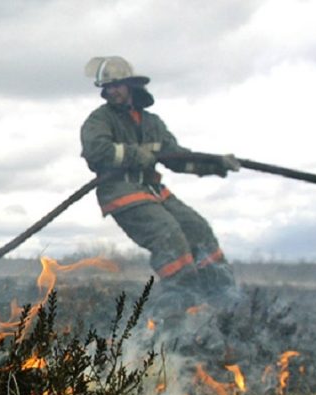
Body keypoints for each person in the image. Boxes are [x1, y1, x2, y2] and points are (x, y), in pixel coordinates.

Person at [79, 56, 241, 309]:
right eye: (107, 87)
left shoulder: (152, 124)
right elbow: (95, 150)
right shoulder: (99, 120)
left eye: (116, 85)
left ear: (131, 86)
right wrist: (134, 154)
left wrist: (216, 163)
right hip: (121, 192)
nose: (111, 91)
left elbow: (178, 158)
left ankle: (223, 297)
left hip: (153, 191)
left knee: (198, 228)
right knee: (168, 234)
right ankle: (177, 305)